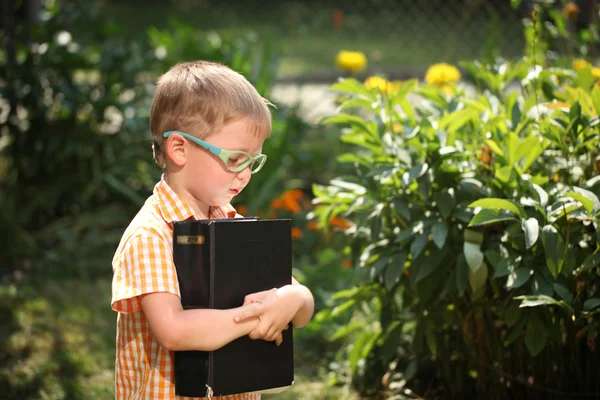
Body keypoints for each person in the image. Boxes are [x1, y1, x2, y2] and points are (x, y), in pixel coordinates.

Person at [111, 60, 315, 400]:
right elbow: (174, 331)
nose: (245, 173)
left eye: (253, 161)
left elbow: (302, 307)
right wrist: (256, 318)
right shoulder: (151, 235)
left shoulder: (233, 226)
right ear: (179, 148)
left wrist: (294, 298)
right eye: (235, 159)